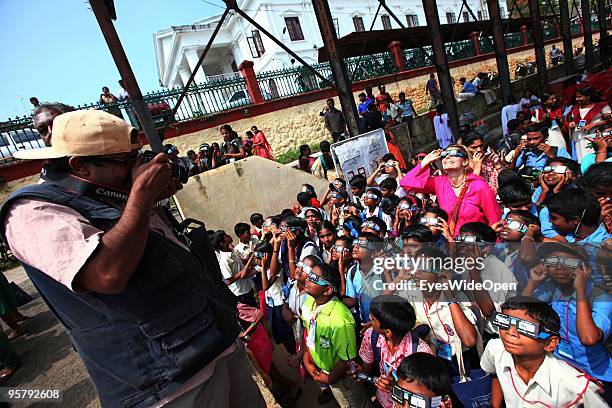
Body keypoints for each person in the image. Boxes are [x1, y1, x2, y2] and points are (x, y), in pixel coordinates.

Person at [0, 110, 264, 407]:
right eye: (127, 161)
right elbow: (106, 274)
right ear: (80, 166)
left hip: (213, 342)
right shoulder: (31, 213)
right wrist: (140, 194)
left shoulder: (112, 193)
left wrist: (146, 197)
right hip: (167, 382)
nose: (139, 167)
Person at [480, 296, 608, 407]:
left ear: (549, 343)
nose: (510, 332)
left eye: (525, 327)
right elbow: (495, 373)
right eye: (504, 322)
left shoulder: (576, 385)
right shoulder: (495, 349)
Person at [301, 263, 369, 407]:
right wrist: (307, 357)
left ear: (327, 290)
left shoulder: (340, 320)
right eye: (310, 274)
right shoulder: (310, 302)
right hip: (326, 371)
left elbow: (346, 360)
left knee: (351, 403)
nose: (308, 278)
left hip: (342, 378)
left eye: (314, 278)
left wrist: (330, 378)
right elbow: (308, 331)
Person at [400, 145, 502, 237]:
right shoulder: (439, 183)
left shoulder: (479, 186)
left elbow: (495, 220)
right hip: (451, 244)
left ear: (465, 161)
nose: (448, 157)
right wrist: (425, 162)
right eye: (444, 154)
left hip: (476, 246)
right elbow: (406, 184)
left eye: (454, 154)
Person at [356, 295, 433, 408]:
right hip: (381, 401)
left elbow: (425, 398)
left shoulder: (422, 354)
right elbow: (366, 370)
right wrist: (360, 374)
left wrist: (395, 388)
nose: (369, 318)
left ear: (388, 332)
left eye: (372, 319)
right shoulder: (371, 335)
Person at [567, 85, 611, 162]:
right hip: (579, 137)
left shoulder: (602, 106)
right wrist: (572, 124)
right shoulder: (575, 108)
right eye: (576, 97)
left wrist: (593, 125)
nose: (577, 99)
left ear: (588, 96)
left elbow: (610, 120)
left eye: (580, 97)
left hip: (596, 136)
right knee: (583, 159)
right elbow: (575, 120)